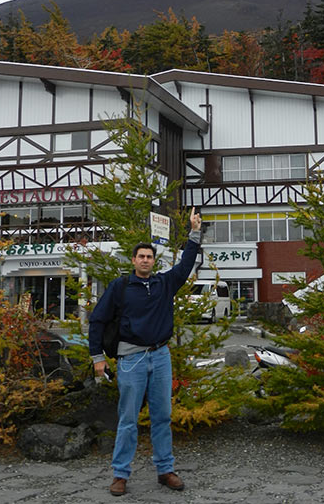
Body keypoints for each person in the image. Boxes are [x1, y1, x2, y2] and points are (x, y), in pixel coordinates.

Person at [89, 207, 202, 497]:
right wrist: (97, 357)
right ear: (133, 260)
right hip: (130, 360)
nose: (145, 260)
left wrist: (194, 233)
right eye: (141, 256)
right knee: (128, 419)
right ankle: (120, 474)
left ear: (154, 261)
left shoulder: (165, 283)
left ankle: (165, 470)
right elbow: (98, 319)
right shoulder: (120, 286)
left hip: (161, 357)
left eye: (149, 257)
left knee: (162, 416)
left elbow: (186, 264)